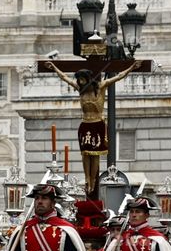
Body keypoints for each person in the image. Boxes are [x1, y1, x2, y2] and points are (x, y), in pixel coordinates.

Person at [45, 62, 139, 199]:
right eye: (79, 80)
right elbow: (64, 77)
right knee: (85, 154)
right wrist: (53, 67)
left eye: (83, 79)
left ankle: (93, 181)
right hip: (85, 124)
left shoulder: (100, 87)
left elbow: (119, 77)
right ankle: (87, 178)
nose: (81, 81)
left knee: (95, 155)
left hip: (97, 124)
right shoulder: (80, 88)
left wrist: (131, 68)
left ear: (88, 78)